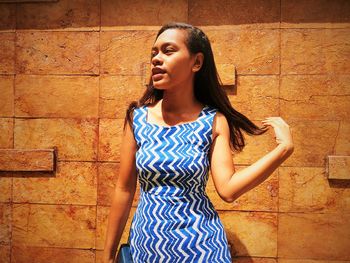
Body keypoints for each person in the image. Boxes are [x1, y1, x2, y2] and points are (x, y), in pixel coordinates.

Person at [103, 22, 294, 263]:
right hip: (146, 249)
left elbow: (228, 189)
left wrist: (282, 150)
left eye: (168, 50)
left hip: (202, 248)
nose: (156, 59)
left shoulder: (213, 121)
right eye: (154, 52)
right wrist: (108, 256)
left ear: (197, 62)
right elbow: (124, 189)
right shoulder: (137, 118)